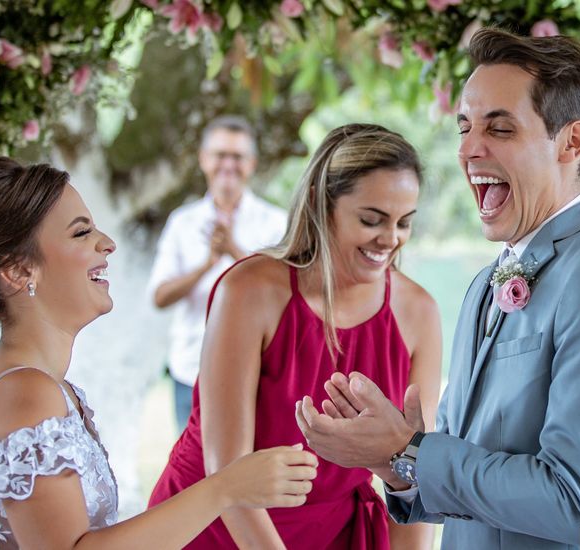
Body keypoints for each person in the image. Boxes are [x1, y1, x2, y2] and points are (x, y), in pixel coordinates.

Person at [296, 28, 580, 550]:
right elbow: (462, 478)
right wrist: (392, 459)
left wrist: (412, 449)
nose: (468, 150)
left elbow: (578, 505)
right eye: (465, 127)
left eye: (499, 129)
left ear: (572, 142)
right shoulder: (484, 284)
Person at [0, 157, 317, 550]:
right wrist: (224, 489)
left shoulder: (39, 387)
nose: (108, 243)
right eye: (81, 232)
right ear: (18, 273)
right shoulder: (24, 394)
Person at [149, 123, 442, 549]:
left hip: (332, 532)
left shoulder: (419, 313)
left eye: (404, 223)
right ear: (324, 207)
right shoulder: (248, 291)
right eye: (372, 220)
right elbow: (225, 465)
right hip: (218, 527)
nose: (390, 239)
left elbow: (411, 474)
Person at [147, 115, 287, 431]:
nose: (228, 164)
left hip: (258, 372)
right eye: (220, 155)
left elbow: (288, 292)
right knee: (196, 474)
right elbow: (159, 296)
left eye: (237, 156)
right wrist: (206, 265)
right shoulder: (182, 222)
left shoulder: (275, 222)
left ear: (251, 163)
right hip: (190, 369)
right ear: (204, 159)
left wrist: (235, 251)